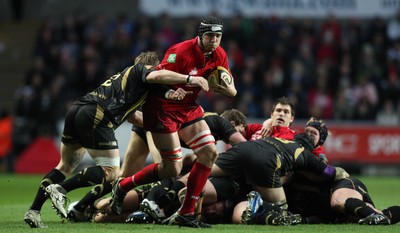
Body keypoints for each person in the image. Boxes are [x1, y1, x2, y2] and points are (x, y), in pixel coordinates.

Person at [23, 51, 209, 228]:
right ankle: (61, 189)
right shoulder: (142, 69)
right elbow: (155, 77)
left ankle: (34, 211)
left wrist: (167, 116)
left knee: (64, 166)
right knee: (111, 171)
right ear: (153, 66)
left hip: (77, 109)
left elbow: (134, 117)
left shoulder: (130, 83)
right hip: (97, 115)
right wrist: (189, 79)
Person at [110, 16, 236, 228]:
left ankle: (186, 212)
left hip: (187, 108)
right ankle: (122, 186)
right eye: (210, 36)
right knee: (172, 168)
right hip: (162, 108)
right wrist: (189, 80)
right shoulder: (180, 51)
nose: (214, 40)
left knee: (209, 153)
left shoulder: (219, 54)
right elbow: (157, 77)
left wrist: (224, 87)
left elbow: (232, 90)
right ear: (200, 35)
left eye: (218, 36)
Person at [66, 110, 247, 222]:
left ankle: (81, 207)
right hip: (159, 128)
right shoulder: (218, 126)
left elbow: (191, 157)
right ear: (232, 124)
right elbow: (245, 147)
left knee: (123, 175)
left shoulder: (207, 123)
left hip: (152, 125)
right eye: (240, 129)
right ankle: (151, 205)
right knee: (166, 170)